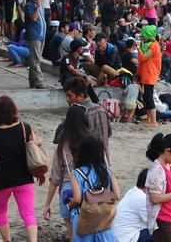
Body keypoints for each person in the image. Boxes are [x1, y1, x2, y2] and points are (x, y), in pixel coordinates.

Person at [0, 96, 40, 242]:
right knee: (28, 213)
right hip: (24, 178)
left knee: (0, 212)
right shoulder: (25, 127)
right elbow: (35, 148)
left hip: (1, 180)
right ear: (13, 110)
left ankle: (7, 240)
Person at [44, 104, 91, 241]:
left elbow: (55, 177)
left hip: (68, 191)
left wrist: (47, 204)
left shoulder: (63, 146)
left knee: (71, 232)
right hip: (90, 189)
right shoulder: (92, 142)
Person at [67, 136, 121, 241]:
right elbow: (117, 195)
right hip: (104, 218)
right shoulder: (107, 171)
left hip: (84, 217)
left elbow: (77, 199)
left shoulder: (76, 173)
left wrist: (69, 205)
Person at [62, 77, 112, 156]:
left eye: (70, 96)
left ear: (81, 96)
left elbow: (63, 137)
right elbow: (108, 133)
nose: (67, 99)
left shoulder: (78, 113)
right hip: (104, 160)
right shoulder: (102, 110)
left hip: (86, 161)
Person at [113, 169, 151, 242]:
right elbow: (152, 222)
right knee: (161, 232)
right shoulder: (142, 198)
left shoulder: (133, 191)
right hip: (126, 238)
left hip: (119, 236)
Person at [138, 25, 162, 127]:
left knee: (149, 97)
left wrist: (138, 50)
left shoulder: (154, 46)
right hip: (146, 73)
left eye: (143, 35)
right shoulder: (149, 44)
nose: (142, 36)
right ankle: (149, 119)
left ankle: (153, 121)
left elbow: (144, 57)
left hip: (150, 74)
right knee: (146, 97)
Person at [24, 0, 47, 89]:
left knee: (35, 59)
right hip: (33, 36)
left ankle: (33, 82)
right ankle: (39, 82)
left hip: (41, 35)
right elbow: (33, 18)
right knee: (36, 60)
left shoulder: (41, 6)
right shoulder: (29, 5)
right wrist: (37, 6)